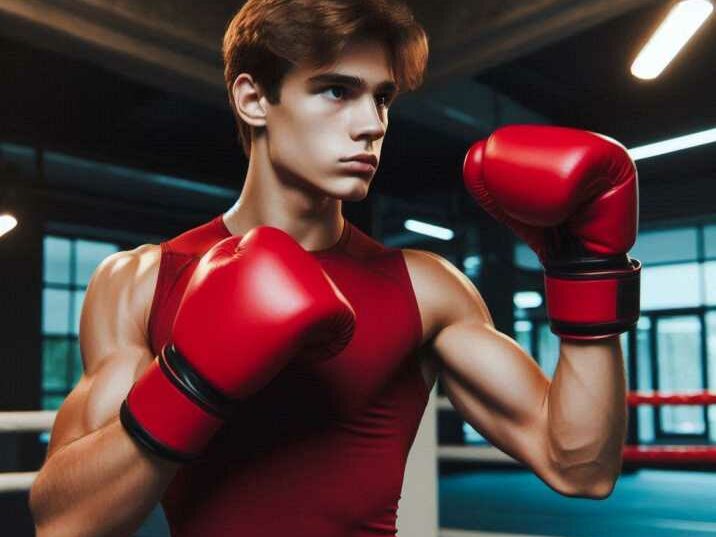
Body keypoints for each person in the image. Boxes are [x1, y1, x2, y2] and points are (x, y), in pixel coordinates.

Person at [28, 0, 640, 535]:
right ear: (252, 99)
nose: (372, 125)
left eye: (381, 98)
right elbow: (66, 522)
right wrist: (191, 380)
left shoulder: (425, 288)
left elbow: (579, 466)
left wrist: (587, 273)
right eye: (336, 90)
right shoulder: (140, 281)